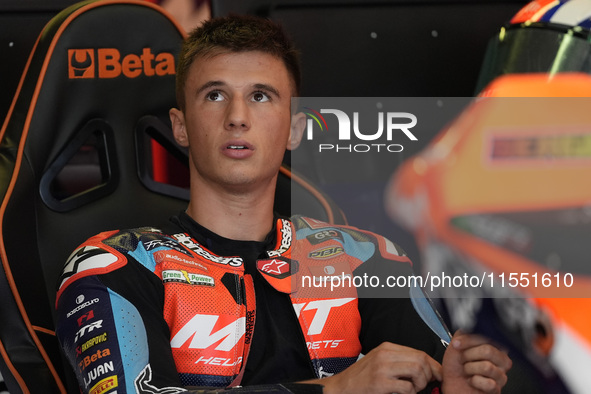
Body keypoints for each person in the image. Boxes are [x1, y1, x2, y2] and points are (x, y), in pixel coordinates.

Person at [55, 14, 511, 394]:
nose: (237, 117)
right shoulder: (113, 266)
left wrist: (457, 385)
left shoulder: (368, 258)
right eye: (215, 95)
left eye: (260, 96)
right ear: (180, 126)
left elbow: (437, 375)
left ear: (294, 129)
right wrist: (334, 389)